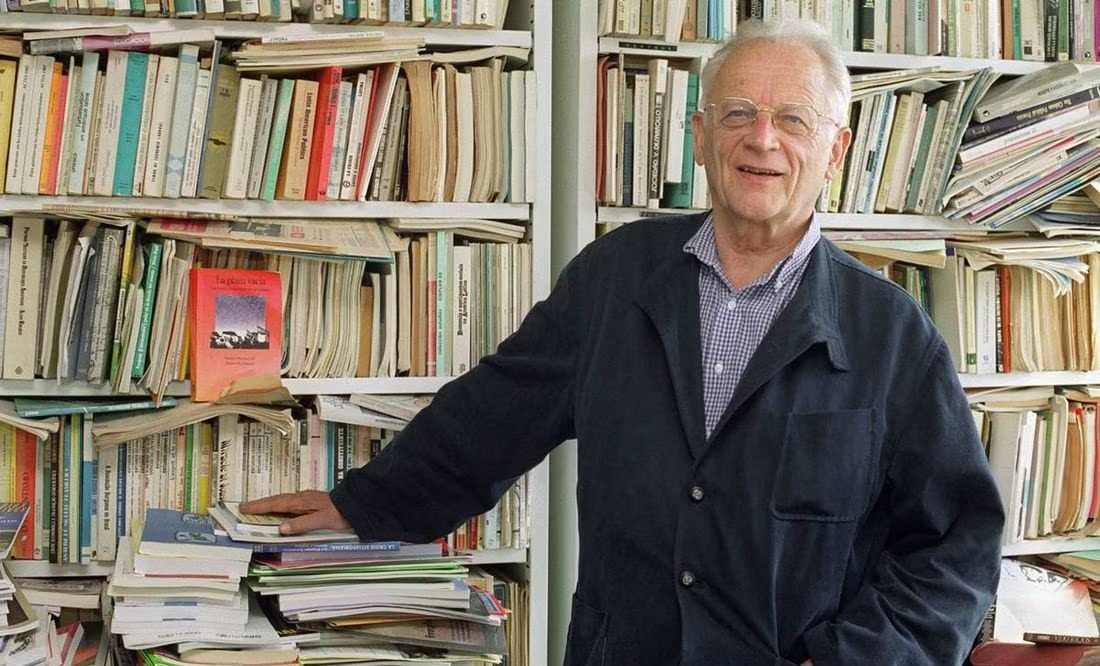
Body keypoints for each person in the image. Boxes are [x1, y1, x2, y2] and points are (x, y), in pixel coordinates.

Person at [241, 18, 1004, 665]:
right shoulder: (615, 277)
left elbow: (954, 550)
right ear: (700, 137)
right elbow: (494, 415)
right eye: (737, 113)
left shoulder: (894, 335)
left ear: (835, 149)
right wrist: (361, 505)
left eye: (794, 119)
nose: (762, 139)